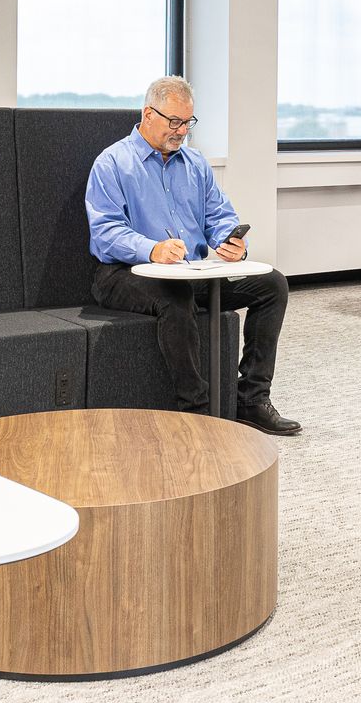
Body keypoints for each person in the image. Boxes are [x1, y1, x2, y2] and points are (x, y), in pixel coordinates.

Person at [86, 76, 300, 436]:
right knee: (176, 295)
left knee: (272, 284)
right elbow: (105, 233)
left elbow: (219, 216)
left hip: (190, 271)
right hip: (123, 274)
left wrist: (230, 242)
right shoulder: (113, 163)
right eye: (174, 122)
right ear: (148, 114)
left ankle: (251, 399)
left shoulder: (196, 164)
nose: (182, 131)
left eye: (188, 122)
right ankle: (196, 412)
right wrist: (151, 249)